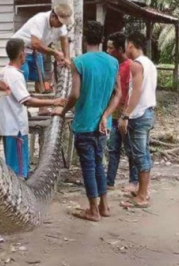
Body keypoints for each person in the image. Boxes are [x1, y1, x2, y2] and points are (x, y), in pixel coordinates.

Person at [53, 21, 121, 222]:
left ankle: (92, 210)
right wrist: (106, 114)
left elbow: (74, 93)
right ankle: (104, 206)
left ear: (84, 39)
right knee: (99, 164)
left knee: (89, 167)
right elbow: (118, 93)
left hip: (84, 123)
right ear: (101, 40)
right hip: (103, 124)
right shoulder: (112, 62)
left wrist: (64, 110)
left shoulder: (80, 62)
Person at [0, 38, 66, 179]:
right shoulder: (15, 75)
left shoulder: (3, 72)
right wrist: (54, 101)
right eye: (25, 53)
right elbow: (27, 101)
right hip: (15, 127)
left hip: (6, 125)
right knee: (18, 170)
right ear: (21, 54)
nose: (26, 56)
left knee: (13, 164)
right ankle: (20, 191)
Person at [11, 4, 72, 116]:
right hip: (21, 49)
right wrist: (54, 52)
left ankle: (42, 108)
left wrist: (67, 58)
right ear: (53, 16)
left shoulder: (60, 25)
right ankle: (21, 109)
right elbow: (35, 43)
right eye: (59, 22)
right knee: (21, 78)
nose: (60, 25)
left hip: (36, 50)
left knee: (40, 78)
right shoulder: (39, 20)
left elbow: (64, 39)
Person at [119, 32, 157, 209]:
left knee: (140, 155)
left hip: (139, 114)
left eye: (126, 44)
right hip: (148, 112)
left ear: (131, 45)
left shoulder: (136, 64)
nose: (125, 48)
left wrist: (126, 115)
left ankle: (142, 196)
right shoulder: (149, 63)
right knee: (143, 153)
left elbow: (136, 92)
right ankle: (143, 190)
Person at [106, 32, 138, 192]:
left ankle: (134, 181)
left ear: (119, 49)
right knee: (113, 148)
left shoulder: (130, 66)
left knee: (130, 149)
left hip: (126, 115)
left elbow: (131, 92)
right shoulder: (112, 65)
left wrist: (125, 115)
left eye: (110, 48)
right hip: (114, 113)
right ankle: (109, 181)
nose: (108, 51)